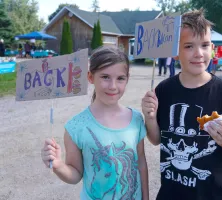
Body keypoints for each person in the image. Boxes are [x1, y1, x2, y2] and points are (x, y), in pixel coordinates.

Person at [142, 8, 222, 200]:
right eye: (189, 46)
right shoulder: (163, 91)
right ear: (175, 52)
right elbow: (156, 139)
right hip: (173, 191)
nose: (199, 53)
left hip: (215, 193)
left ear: (212, 48)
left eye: (205, 45)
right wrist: (150, 118)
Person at [41, 46, 149, 200]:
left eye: (120, 78)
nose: (113, 86)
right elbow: (75, 174)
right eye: (105, 77)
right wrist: (58, 165)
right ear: (90, 77)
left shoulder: (136, 119)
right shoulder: (76, 127)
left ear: (127, 79)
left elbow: (141, 164)